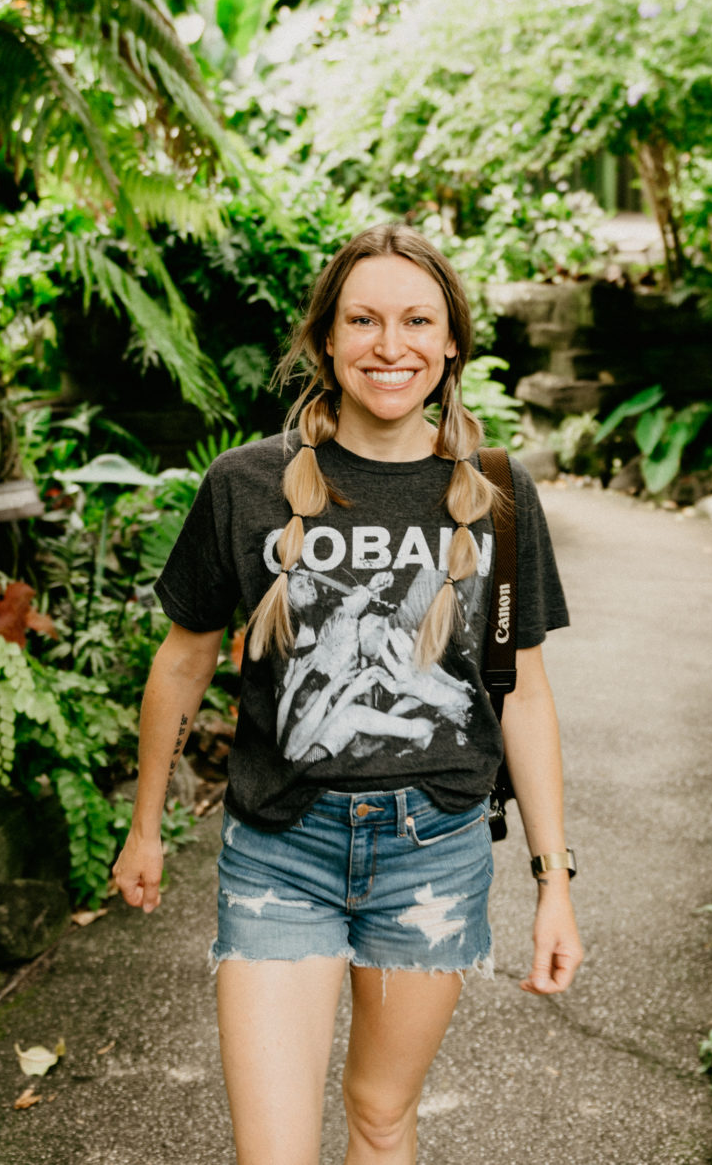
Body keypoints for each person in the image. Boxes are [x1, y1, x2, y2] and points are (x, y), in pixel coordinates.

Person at [110, 223, 584, 1165]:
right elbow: (182, 659)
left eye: (417, 320)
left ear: (452, 343)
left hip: (434, 852)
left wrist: (553, 881)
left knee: (379, 1115)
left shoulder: (495, 493)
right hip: (282, 848)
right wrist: (146, 823)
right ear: (327, 338)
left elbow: (522, 693)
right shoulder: (245, 483)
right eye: (363, 319)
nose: (390, 344)